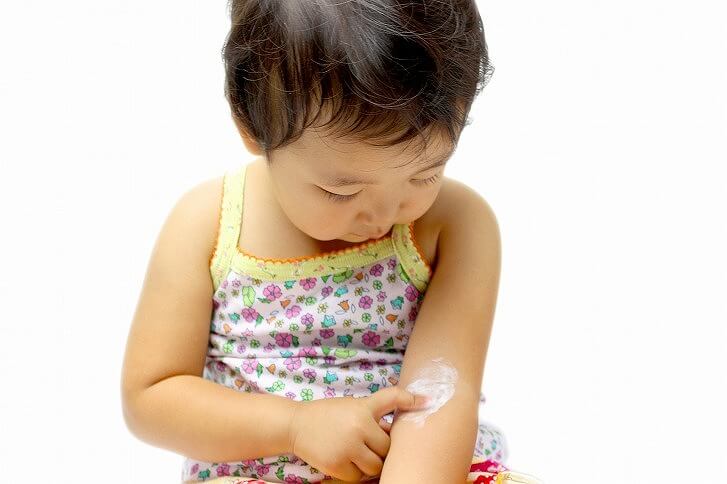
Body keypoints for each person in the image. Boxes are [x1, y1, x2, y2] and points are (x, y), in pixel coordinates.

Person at [121, 1, 537, 483]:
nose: (383, 215)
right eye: (342, 191)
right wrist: (294, 426)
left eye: (425, 175)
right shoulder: (208, 223)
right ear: (251, 123)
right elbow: (152, 396)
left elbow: (441, 399)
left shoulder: (453, 223)